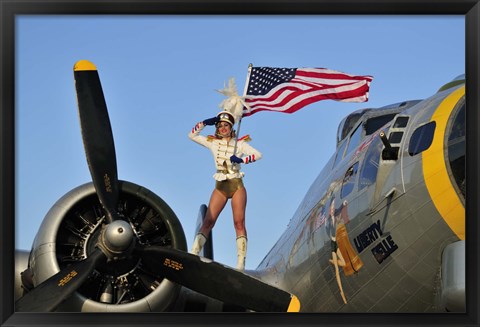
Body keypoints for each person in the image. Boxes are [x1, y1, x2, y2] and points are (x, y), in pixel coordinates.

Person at [188, 110, 262, 270]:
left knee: (239, 222)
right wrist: (204, 123)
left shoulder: (240, 143)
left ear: (231, 127)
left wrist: (242, 159)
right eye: (220, 125)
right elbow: (192, 135)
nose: (223, 128)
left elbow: (257, 155)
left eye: (226, 125)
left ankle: (241, 262)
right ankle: (193, 253)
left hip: (236, 184)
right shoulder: (212, 142)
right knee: (208, 221)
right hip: (221, 185)